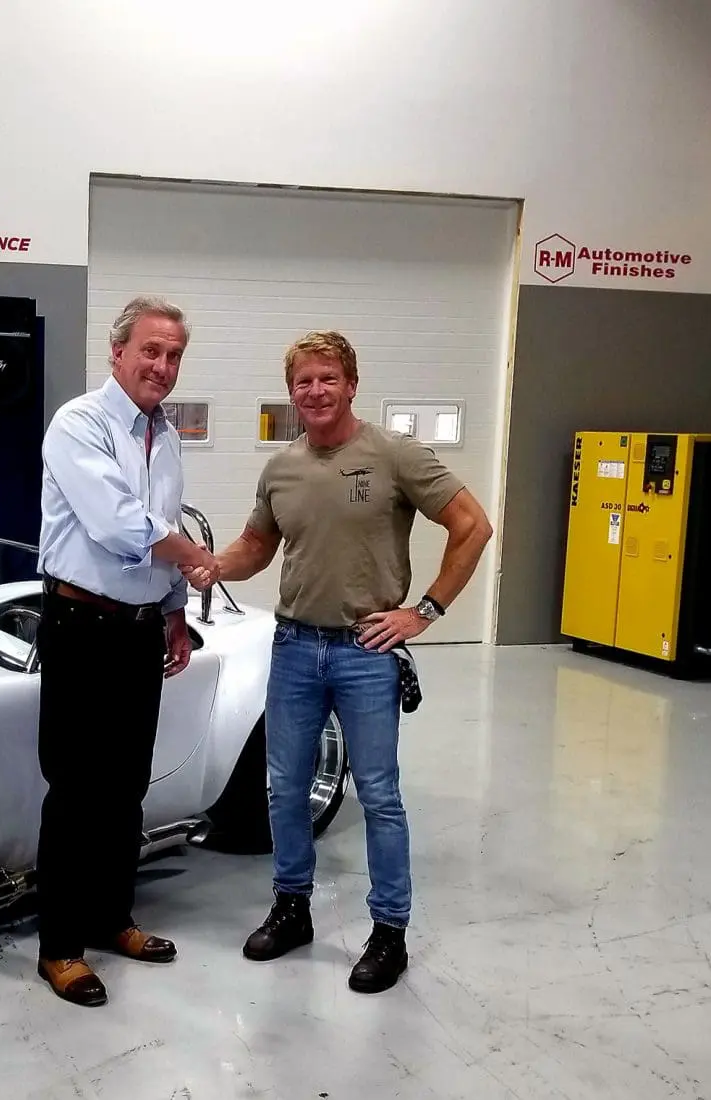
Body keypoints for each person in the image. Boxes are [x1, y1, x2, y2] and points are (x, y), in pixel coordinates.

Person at [191, 330, 492, 994]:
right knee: (283, 789)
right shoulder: (282, 468)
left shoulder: (394, 454)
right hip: (295, 648)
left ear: (352, 384)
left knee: (379, 795)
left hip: (365, 651)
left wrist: (425, 611)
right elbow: (255, 546)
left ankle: (388, 932)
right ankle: (291, 908)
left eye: (328, 378)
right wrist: (209, 565)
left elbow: (472, 524)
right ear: (291, 392)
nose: (316, 390)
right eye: (303, 381)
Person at [33, 294, 221, 1007]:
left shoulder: (166, 436)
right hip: (81, 626)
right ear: (117, 352)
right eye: (150, 350)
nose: (162, 366)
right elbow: (119, 525)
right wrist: (199, 559)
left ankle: (112, 918)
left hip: (140, 628)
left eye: (174, 355)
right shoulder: (78, 424)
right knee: (76, 789)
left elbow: (161, 522)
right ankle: (60, 947)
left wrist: (174, 611)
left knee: (125, 786)